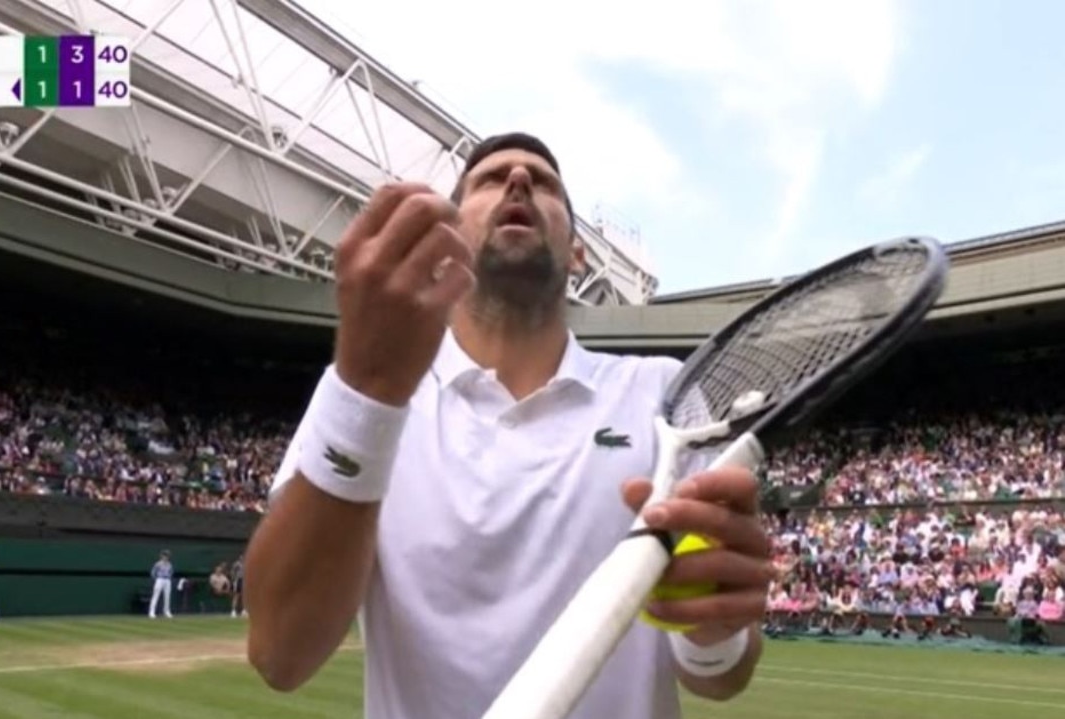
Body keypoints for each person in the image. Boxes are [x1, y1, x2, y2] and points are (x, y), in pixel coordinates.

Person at [244, 132, 772, 718]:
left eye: (543, 183)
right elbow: (279, 654)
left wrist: (715, 633)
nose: (519, 180)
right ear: (447, 243)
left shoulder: (662, 393)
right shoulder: (364, 391)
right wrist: (368, 390)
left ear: (577, 254)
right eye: (492, 179)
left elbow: (719, 675)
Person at [149, 550, 175, 619]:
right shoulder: (158, 564)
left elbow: (171, 572)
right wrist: (156, 579)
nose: (166, 557)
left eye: (167, 556)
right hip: (160, 579)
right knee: (156, 595)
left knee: (167, 596)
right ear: (161, 556)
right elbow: (153, 572)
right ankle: (152, 612)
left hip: (167, 580)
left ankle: (166, 612)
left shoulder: (169, 564)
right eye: (164, 555)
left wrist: (169, 577)